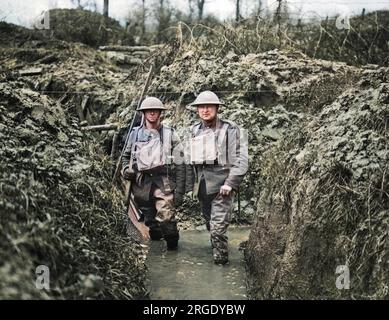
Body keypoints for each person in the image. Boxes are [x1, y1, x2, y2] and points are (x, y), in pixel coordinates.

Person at [187, 91, 248, 264]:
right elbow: (189, 160)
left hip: (223, 188)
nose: (205, 110)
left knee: (218, 229)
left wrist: (230, 183)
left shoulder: (230, 129)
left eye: (209, 106)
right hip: (203, 188)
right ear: (197, 110)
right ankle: (216, 246)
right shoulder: (194, 130)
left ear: (217, 108)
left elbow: (241, 159)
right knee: (210, 224)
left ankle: (221, 265)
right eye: (201, 107)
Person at [121, 97, 185, 250]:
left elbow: (181, 161)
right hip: (141, 184)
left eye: (155, 110)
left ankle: (172, 251)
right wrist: (126, 171)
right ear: (143, 113)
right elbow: (125, 157)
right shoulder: (134, 134)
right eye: (148, 110)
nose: (151, 112)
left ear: (160, 113)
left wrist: (180, 191)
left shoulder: (170, 134)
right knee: (151, 222)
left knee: (167, 219)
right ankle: (156, 252)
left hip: (163, 182)